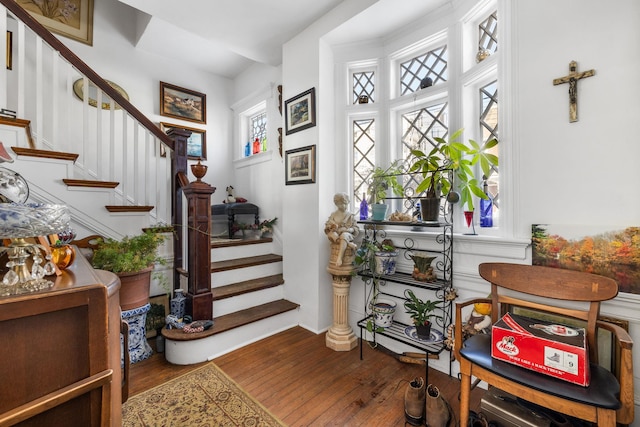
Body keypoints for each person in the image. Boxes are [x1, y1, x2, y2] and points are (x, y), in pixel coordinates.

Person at [325, 193, 360, 266]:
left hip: (346, 234)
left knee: (344, 235)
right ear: (336, 204)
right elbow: (327, 226)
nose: (344, 206)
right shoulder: (333, 214)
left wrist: (349, 230)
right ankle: (348, 244)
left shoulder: (350, 215)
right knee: (332, 234)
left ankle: (339, 258)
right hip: (336, 235)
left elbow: (355, 228)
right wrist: (331, 227)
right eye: (341, 204)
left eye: (345, 204)